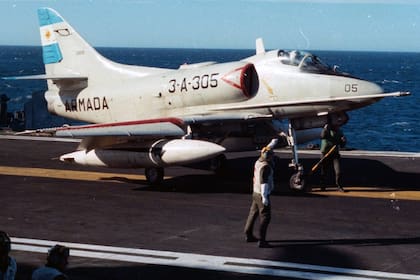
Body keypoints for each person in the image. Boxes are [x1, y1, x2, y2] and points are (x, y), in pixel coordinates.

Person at [244, 143, 276, 248]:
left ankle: (248, 234)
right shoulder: (266, 166)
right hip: (261, 193)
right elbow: (264, 182)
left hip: (255, 192)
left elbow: (266, 150)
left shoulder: (259, 161)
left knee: (253, 213)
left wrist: (273, 141)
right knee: (266, 217)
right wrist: (265, 197)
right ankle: (262, 240)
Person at [320, 118, 346, 192]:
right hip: (325, 154)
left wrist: (344, 141)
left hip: (335, 154)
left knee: (338, 172)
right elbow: (322, 136)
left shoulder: (340, 132)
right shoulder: (327, 130)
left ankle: (339, 186)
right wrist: (325, 129)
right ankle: (322, 185)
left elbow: (342, 145)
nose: (338, 126)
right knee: (323, 171)